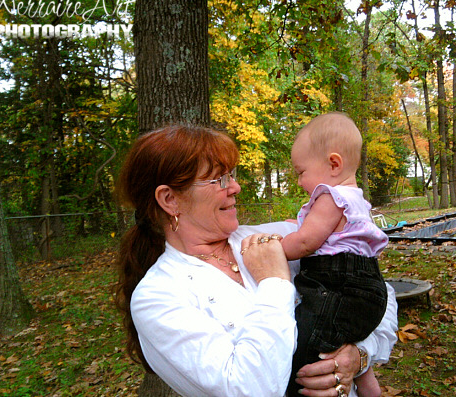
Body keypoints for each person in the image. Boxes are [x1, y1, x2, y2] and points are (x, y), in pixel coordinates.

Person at [115, 124, 398, 397]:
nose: (236, 187)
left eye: (232, 175)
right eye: (219, 180)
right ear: (170, 200)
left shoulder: (283, 238)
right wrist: (274, 282)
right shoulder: (157, 297)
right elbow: (249, 389)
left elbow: (379, 292)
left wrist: (359, 355)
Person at [281, 112, 389, 397]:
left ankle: (296, 387)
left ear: (333, 163)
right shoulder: (356, 199)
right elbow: (334, 234)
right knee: (343, 339)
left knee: (306, 340)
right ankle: (369, 387)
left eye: (301, 172)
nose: (299, 181)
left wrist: (276, 246)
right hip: (366, 287)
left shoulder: (330, 196)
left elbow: (306, 242)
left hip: (337, 285)